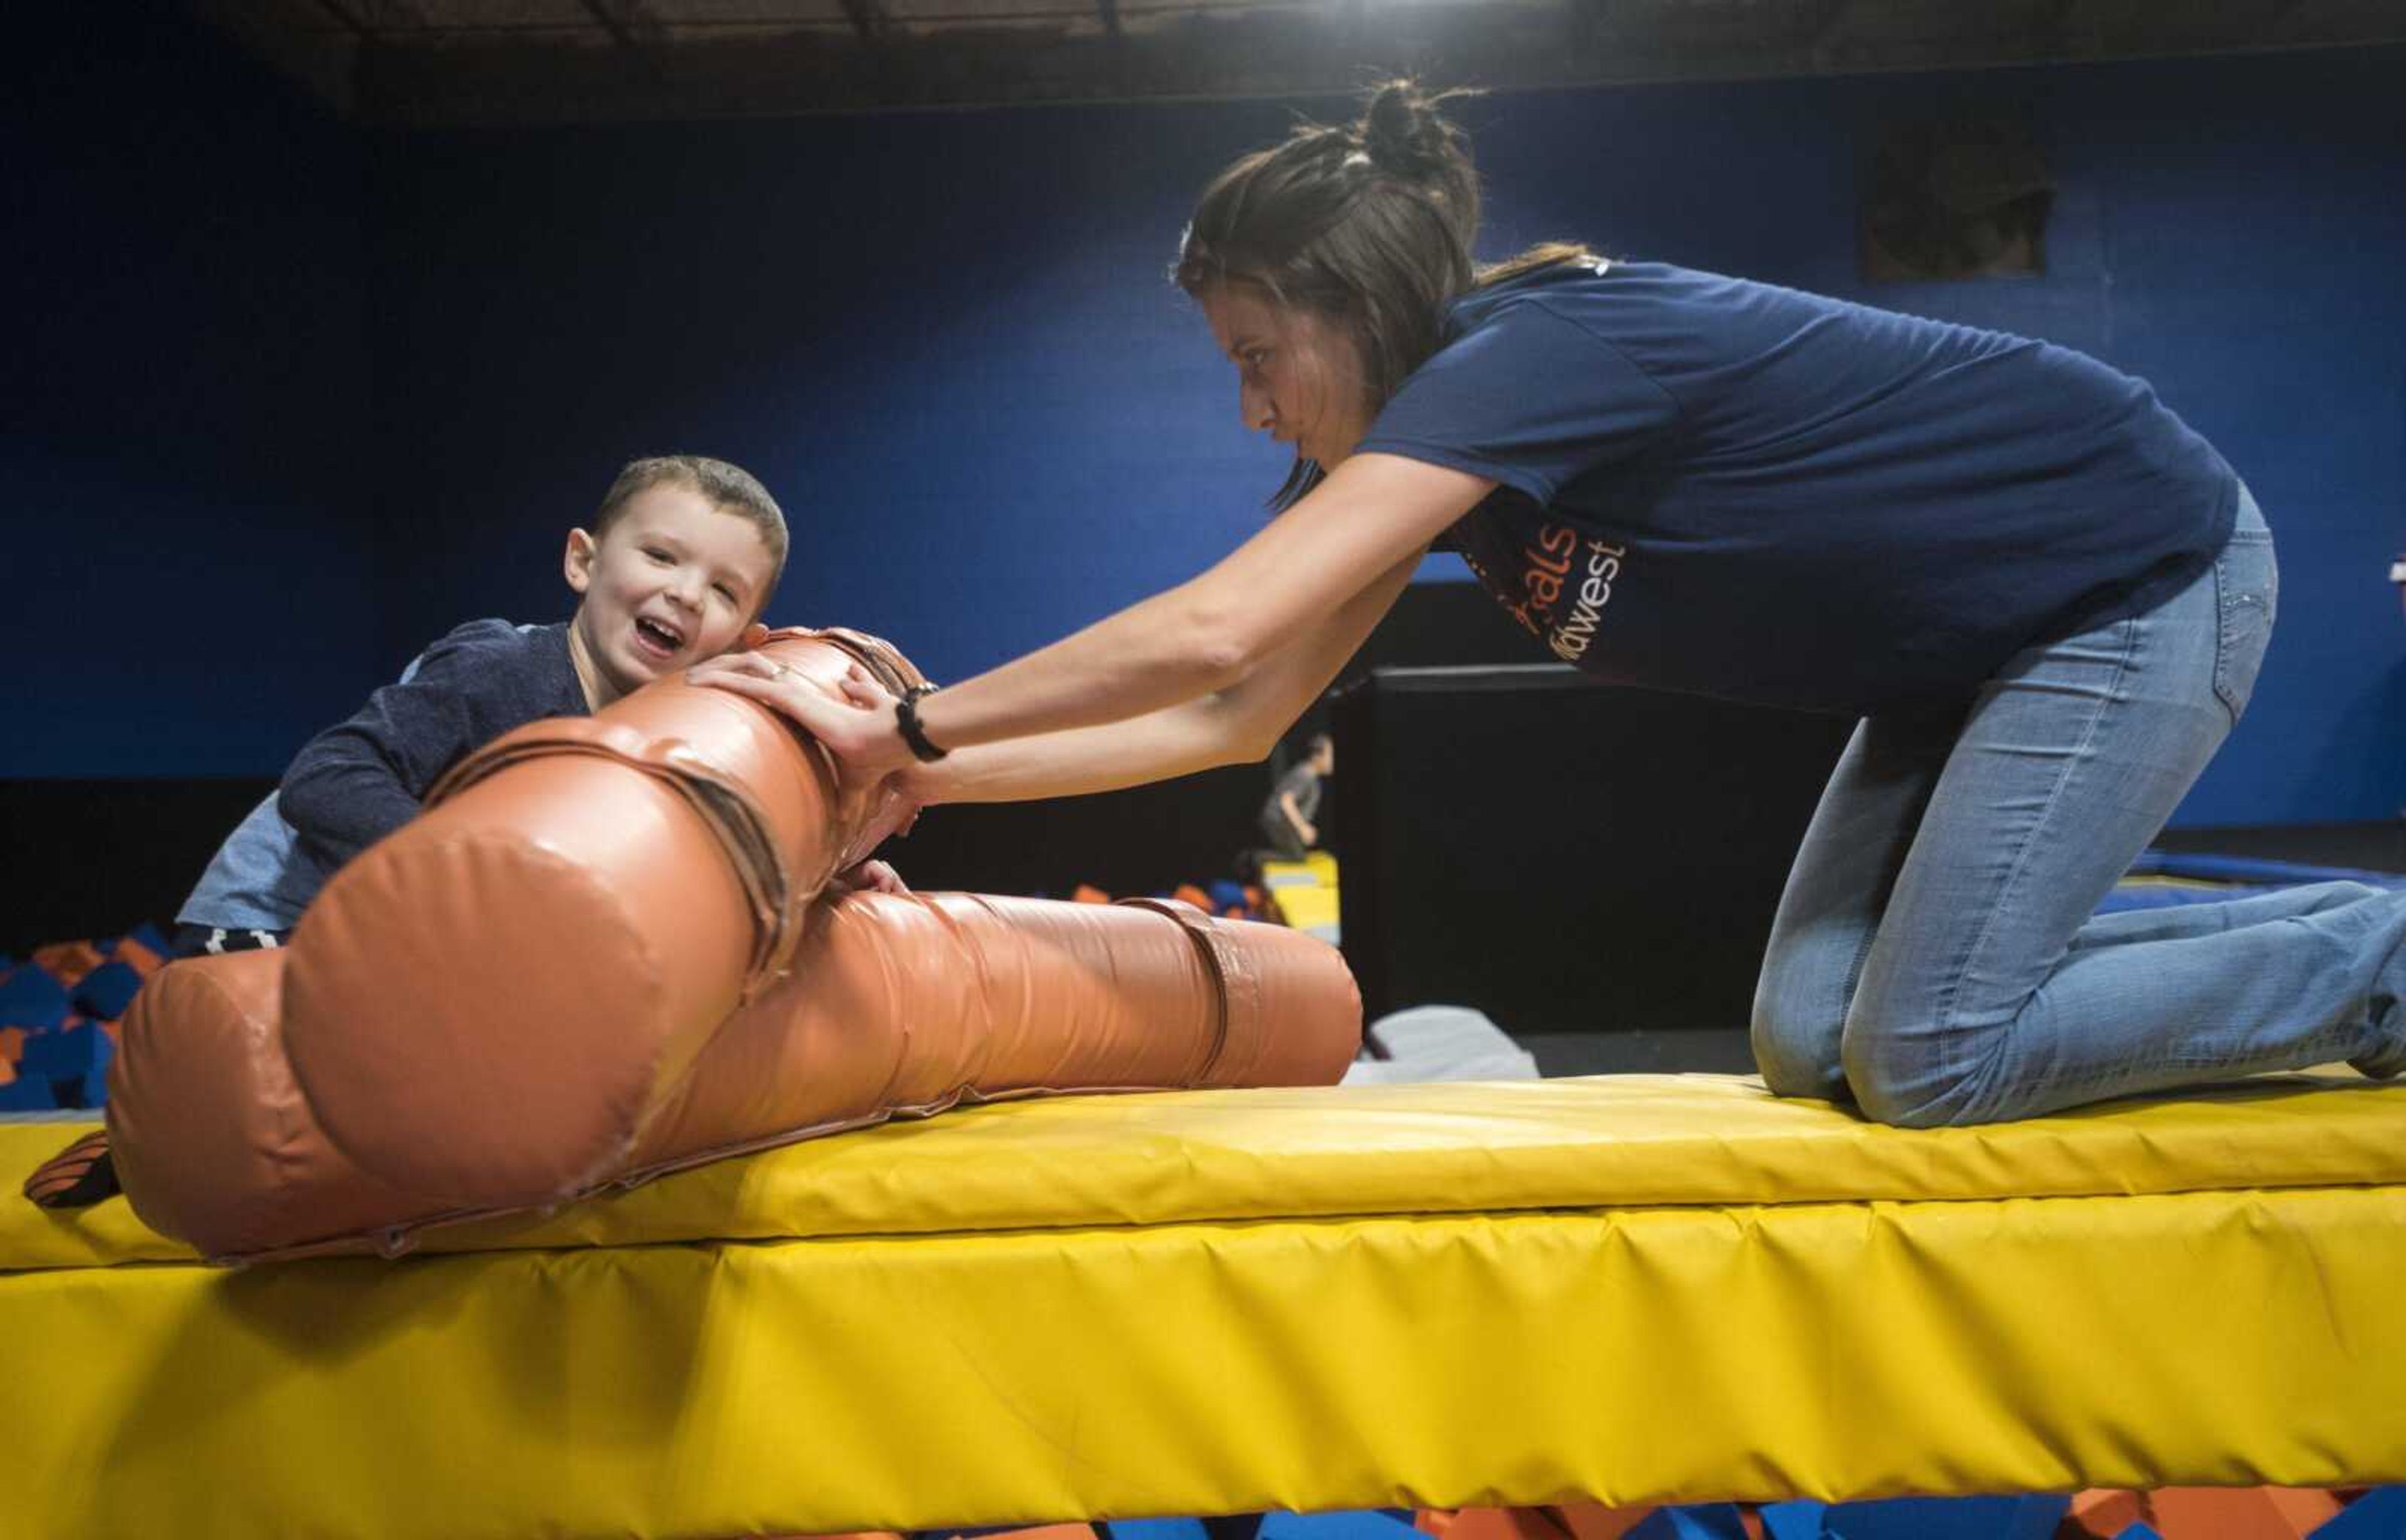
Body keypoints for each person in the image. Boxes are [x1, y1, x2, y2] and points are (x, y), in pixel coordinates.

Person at [694, 83, 2405, 1128]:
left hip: (2127, 575)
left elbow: (1214, 631)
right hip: (1965, 654)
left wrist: (898, 722)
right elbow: (1238, 717)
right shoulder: (1425, 453)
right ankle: (2272, 953)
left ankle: (2380, 970)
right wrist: (924, 788)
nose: (1251, 408)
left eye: (1256, 358)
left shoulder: (1541, 352)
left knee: (1935, 1055)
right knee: (1819, 1043)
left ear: (1346, 306)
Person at [174, 452, 902, 961]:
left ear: (738, 639)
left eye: (722, 590)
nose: (685, 592)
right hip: (264, 930)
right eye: (661, 556)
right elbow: (326, 776)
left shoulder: (667, 735)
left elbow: (686, 869)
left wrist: (822, 890)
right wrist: (468, 872)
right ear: (583, 562)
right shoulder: (504, 670)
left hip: (424, 930)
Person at [1259, 733, 1335, 862]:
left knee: (1298, 856)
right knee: (1296, 858)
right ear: (1317, 756)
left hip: (1281, 823)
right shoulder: (1306, 774)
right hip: (1278, 822)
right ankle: (1255, 861)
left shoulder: (1309, 775)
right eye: (1330, 755)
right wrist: (1303, 828)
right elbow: (1286, 802)